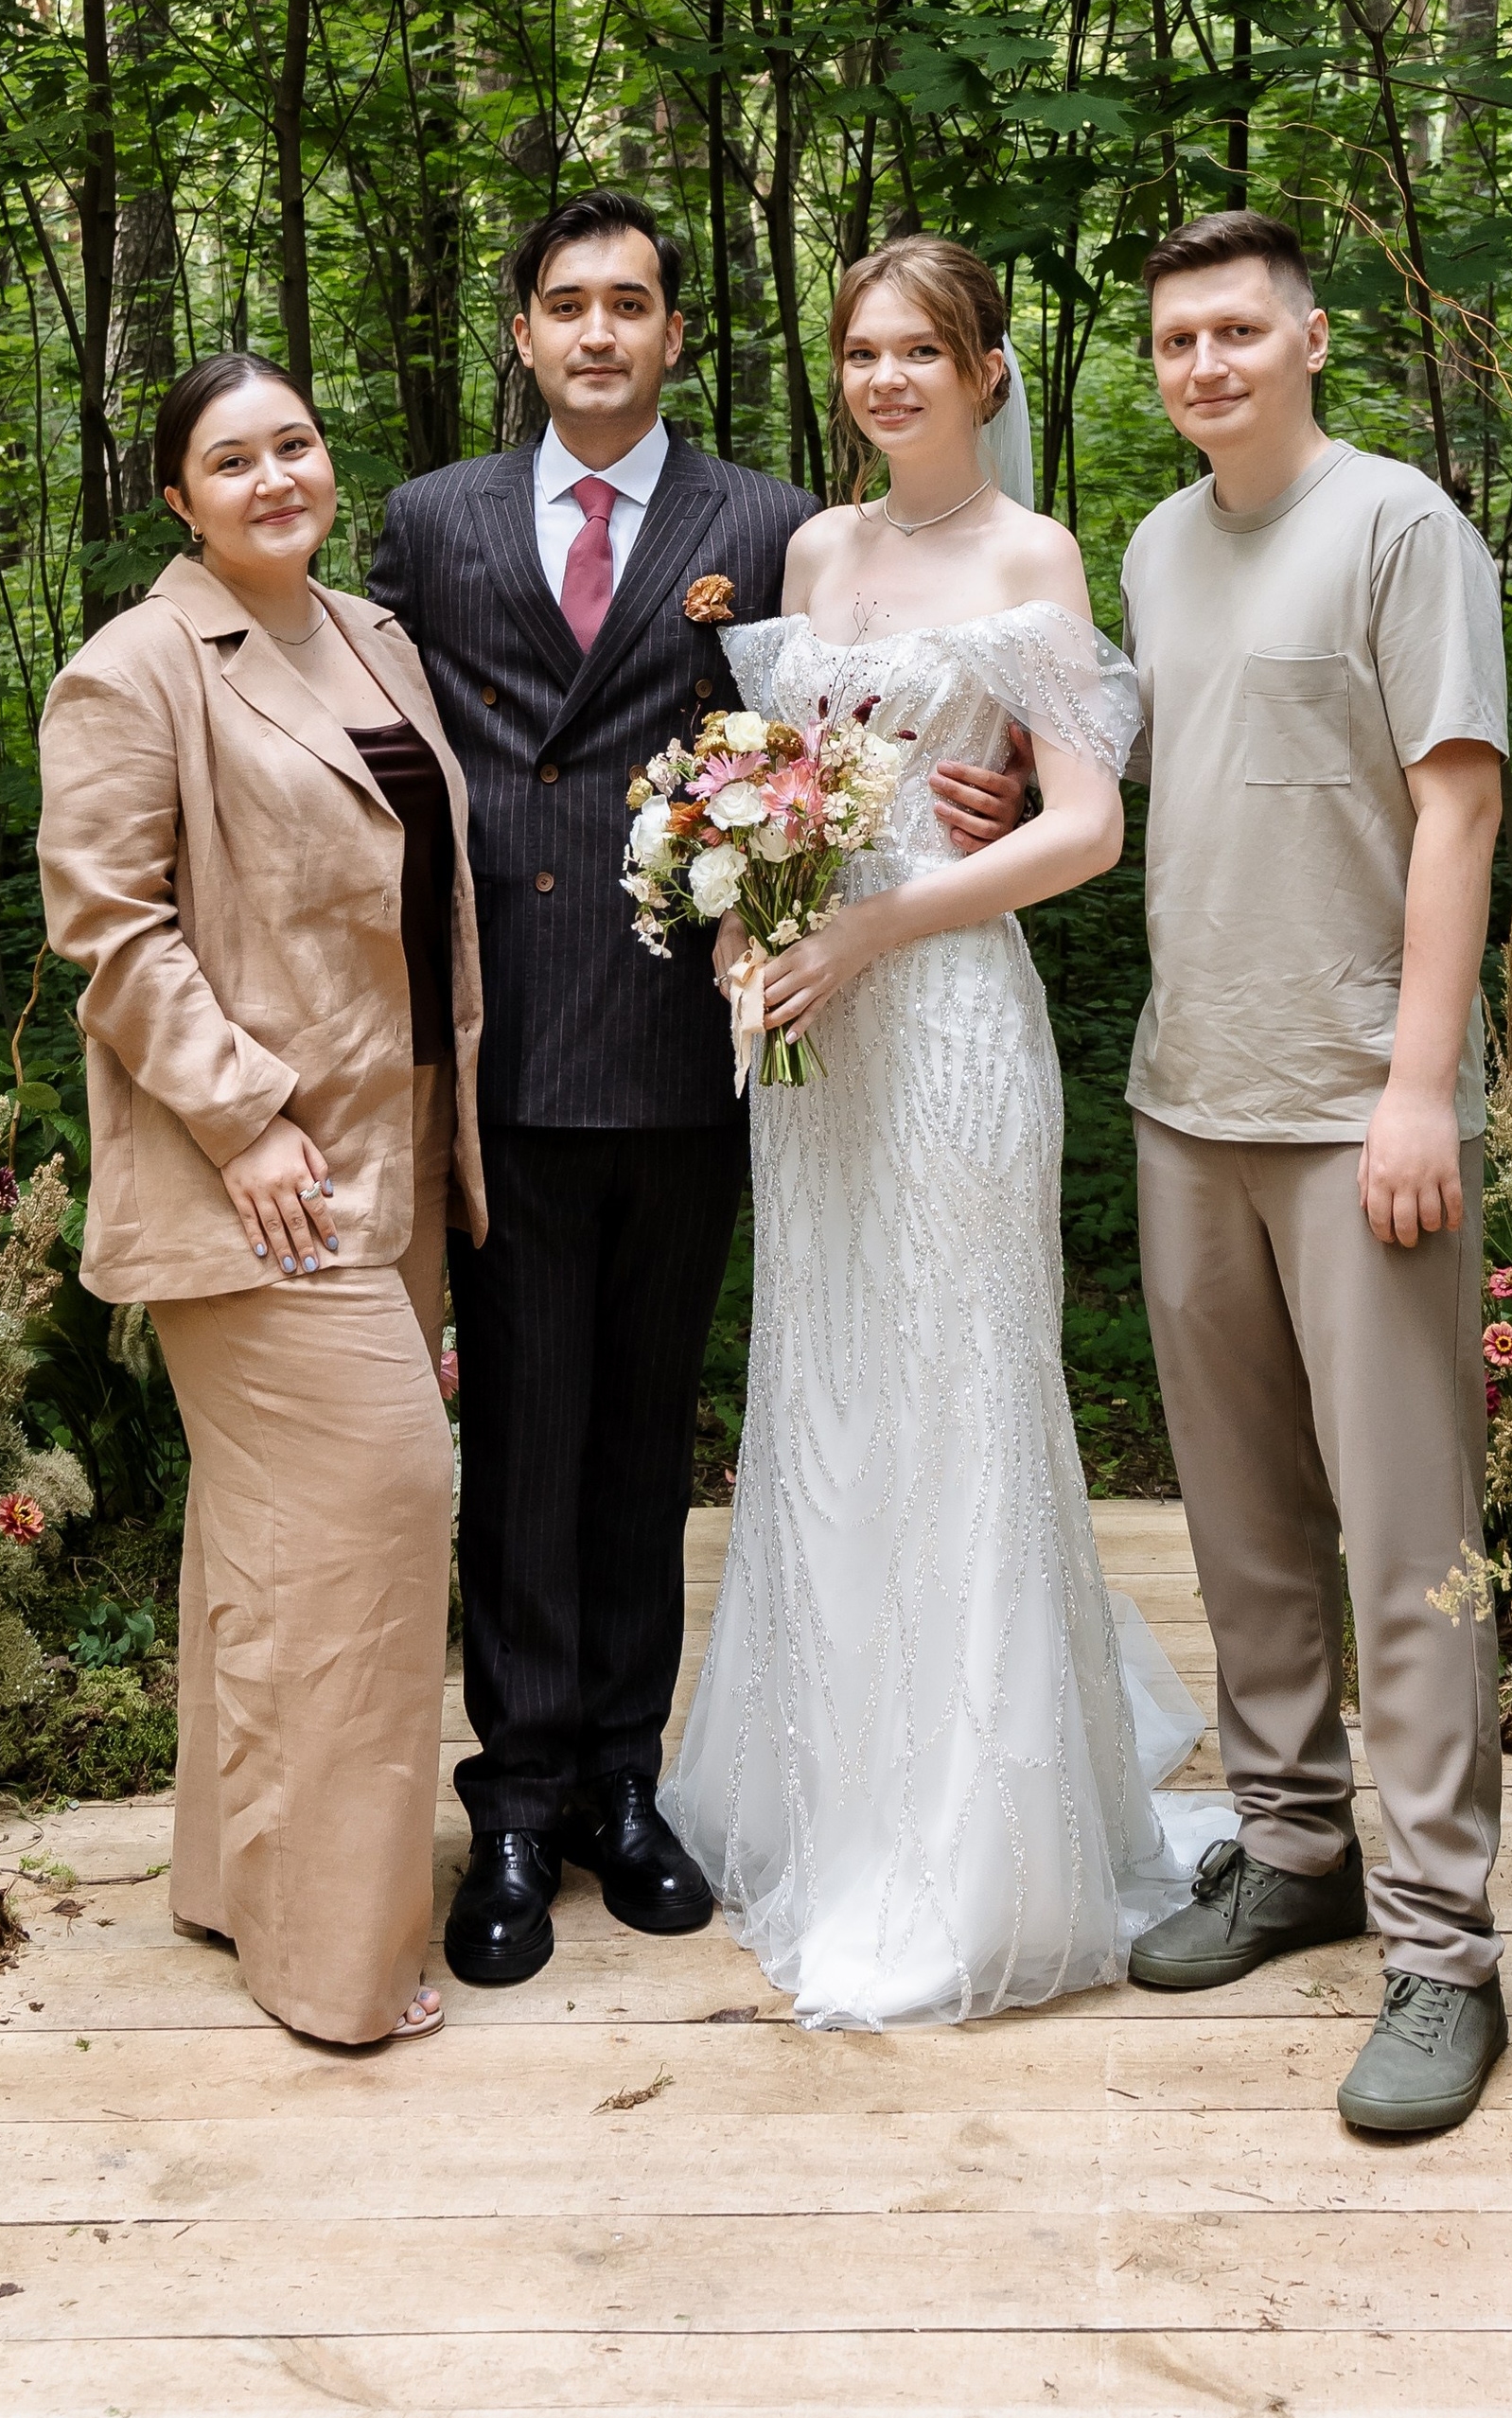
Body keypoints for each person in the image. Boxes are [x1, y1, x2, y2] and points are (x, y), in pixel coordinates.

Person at [368, 191, 1028, 1987]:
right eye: (567, 305)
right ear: (524, 333)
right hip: (505, 1035)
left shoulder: (773, 527)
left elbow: (855, 757)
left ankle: (621, 1783)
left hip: (689, 1040)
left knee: (647, 1430)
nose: (599, 333)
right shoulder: (428, 524)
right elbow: (374, 766)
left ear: (675, 336)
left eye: (633, 306)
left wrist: (997, 796)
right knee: (516, 1430)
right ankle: (512, 1798)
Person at [664, 237, 1234, 2027]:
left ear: (985, 369)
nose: (888, 378)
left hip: (949, 1007)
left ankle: (973, 1840)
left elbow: (1079, 832)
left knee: (962, 1377)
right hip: (811, 1031)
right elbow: (758, 789)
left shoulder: (1032, 554)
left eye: (923, 350)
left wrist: (879, 921)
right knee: (826, 1377)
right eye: (860, 351)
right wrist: (749, 930)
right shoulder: (814, 553)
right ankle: (826, 1779)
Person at [1116, 208, 1510, 2139]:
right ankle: (1288, 1850)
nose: (1203, 364)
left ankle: (1440, 1948)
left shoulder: (1396, 527)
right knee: (1241, 1518)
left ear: (1308, 339)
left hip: (1359, 1110)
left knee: (1408, 1544)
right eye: (1175, 339)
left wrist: (1417, 1085)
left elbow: (1454, 801)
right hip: (1187, 1094)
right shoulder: (1154, 546)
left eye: (1235, 333)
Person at [37, 353, 484, 2049]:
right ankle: (340, 1966)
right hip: (263, 1183)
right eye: (232, 460)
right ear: (178, 497)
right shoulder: (135, 670)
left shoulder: (376, 638)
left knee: (270, 1540)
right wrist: (244, 1122)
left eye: (295, 442)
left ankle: (237, 1878)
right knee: (375, 1519)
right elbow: (111, 928)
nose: (274, 477)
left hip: (404, 1154)